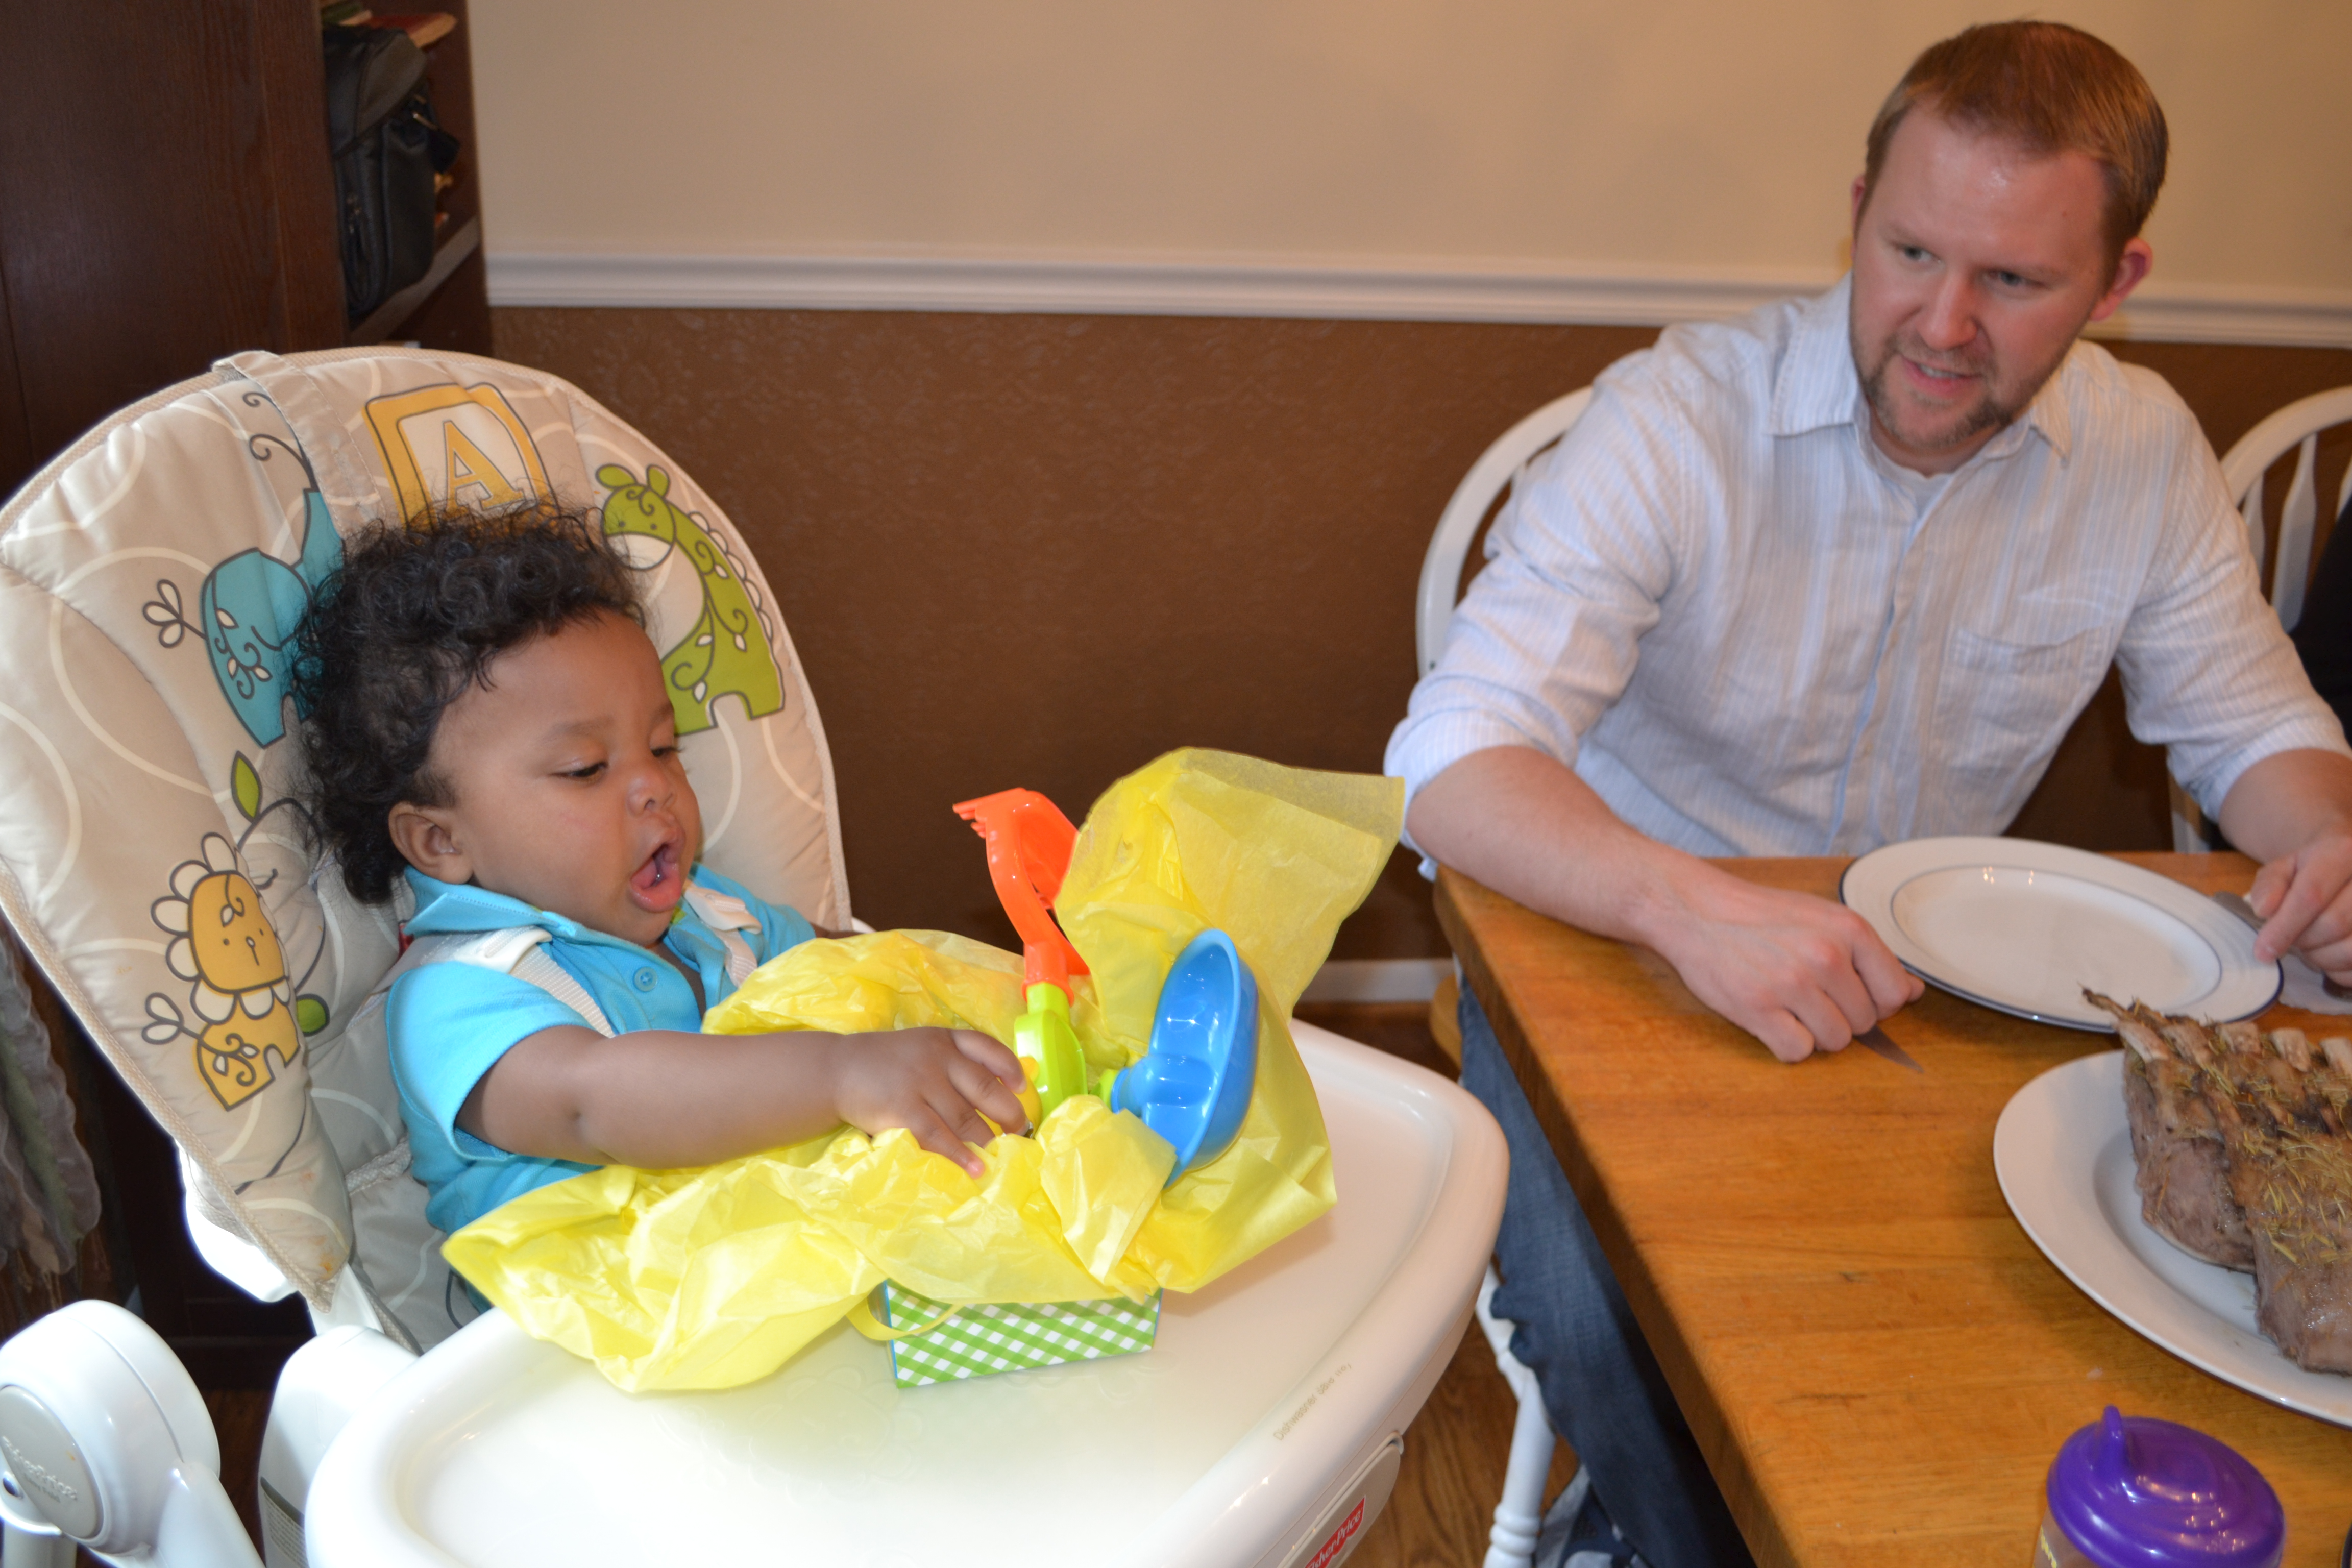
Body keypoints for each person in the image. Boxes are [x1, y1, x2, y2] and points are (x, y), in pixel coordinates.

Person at [1388, 22, 2352, 1568]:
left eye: (2015, 280)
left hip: (1922, 992)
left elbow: (2254, 730)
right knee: (1603, 1311)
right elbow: (1446, 758)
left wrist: (2330, 842)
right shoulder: (1680, 416)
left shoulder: (2145, 452)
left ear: (2117, 282)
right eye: (1909, 252)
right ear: (1856, 211)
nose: (1942, 326)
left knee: (2019, 1314)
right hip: (1607, 933)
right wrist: (1689, 908)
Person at [295, 505, 1030, 1236]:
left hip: (795, 1267)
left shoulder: (715, 917)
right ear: (438, 841)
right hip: (612, 1309)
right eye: (587, 768)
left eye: (663, 747)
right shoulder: (459, 995)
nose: (655, 785)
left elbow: (863, 966)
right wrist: (840, 1073)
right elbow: (597, 1105)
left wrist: (999, 1000)